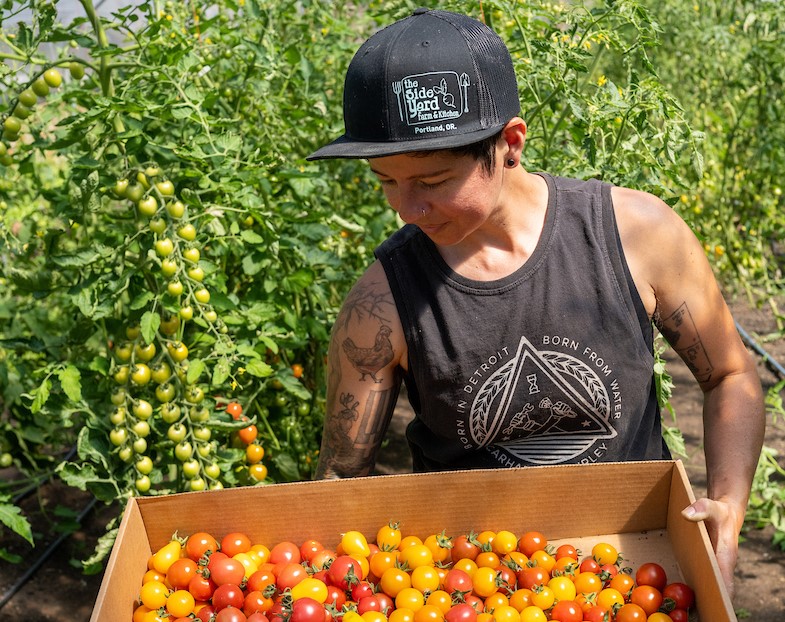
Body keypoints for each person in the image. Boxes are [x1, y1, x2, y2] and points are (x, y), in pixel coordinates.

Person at [306, 8, 765, 597]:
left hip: (628, 572)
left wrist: (727, 503)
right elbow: (340, 483)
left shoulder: (635, 235)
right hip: (467, 589)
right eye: (385, 181)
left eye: (433, 181)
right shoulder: (382, 304)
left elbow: (729, 373)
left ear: (509, 144)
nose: (405, 209)